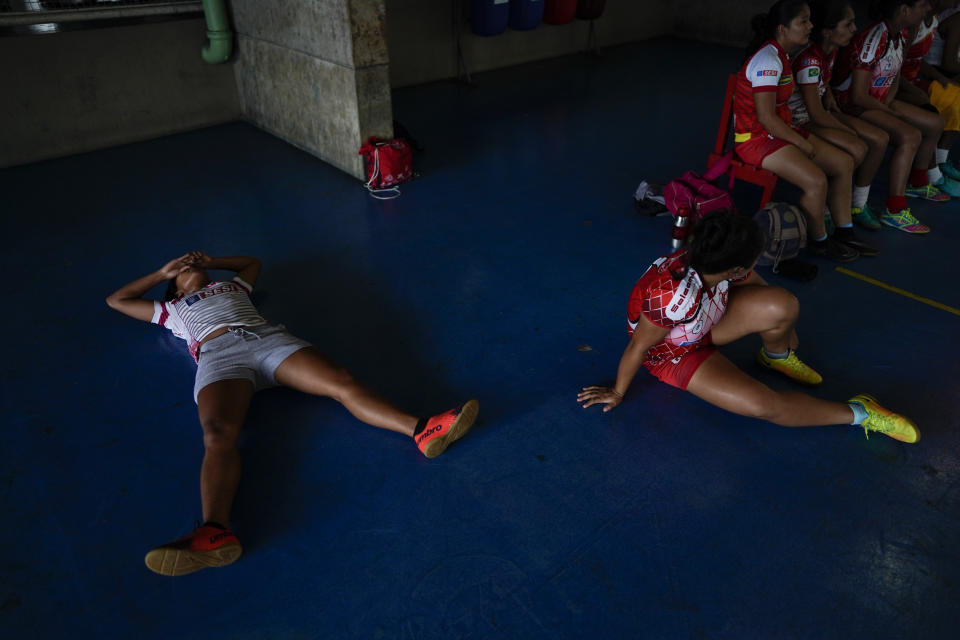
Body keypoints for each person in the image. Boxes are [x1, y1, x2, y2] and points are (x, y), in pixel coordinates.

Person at [106, 251, 479, 576]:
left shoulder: (233, 288)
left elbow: (253, 263)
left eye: (191, 263)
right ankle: (213, 530)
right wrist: (164, 272)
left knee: (341, 381)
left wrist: (212, 261)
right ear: (176, 289)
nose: (190, 263)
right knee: (218, 433)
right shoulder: (171, 309)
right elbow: (118, 300)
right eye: (184, 270)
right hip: (219, 356)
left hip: (267, 341)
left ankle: (423, 429)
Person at [577, 210, 919, 444]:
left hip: (707, 323)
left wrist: (781, 328)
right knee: (763, 406)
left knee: (782, 304)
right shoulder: (672, 297)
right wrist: (618, 391)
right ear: (735, 264)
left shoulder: (715, 260)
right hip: (674, 353)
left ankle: (776, 356)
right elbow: (640, 345)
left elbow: (751, 279)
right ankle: (861, 412)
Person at [735, 0, 875, 262]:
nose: (811, 26)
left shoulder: (782, 55)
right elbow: (765, 117)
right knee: (816, 180)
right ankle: (820, 242)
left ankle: (844, 232)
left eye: (809, 20)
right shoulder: (768, 60)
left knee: (844, 163)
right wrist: (801, 143)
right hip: (755, 140)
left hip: (780, 132)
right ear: (782, 28)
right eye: (803, 21)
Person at [831, 0, 947, 234]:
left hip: (878, 101)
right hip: (853, 105)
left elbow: (894, 76)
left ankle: (917, 182)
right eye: (921, 5)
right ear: (904, 10)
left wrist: (888, 106)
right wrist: (888, 112)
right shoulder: (874, 38)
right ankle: (892, 209)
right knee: (910, 135)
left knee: (935, 122)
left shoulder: (901, 34)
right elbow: (858, 96)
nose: (926, 9)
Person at [789, 1, 894, 231]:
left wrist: (827, 93)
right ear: (827, 32)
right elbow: (814, 113)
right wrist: (848, 131)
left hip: (818, 114)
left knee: (878, 138)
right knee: (857, 147)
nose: (854, 28)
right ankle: (828, 205)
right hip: (801, 120)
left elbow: (821, 89)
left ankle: (856, 204)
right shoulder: (809, 60)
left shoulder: (832, 50)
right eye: (848, 24)